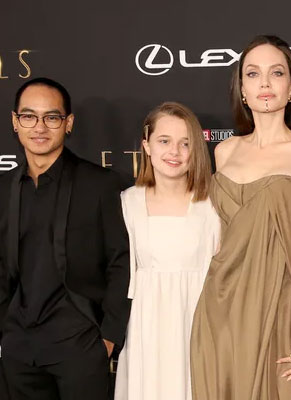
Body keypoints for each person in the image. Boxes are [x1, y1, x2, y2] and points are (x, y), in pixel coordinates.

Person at [190, 35, 291, 400]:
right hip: (221, 312)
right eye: (253, 74)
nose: (265, 83)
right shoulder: (225, 152)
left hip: (283, 309)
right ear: (242, 90)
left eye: (277, 73)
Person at [0, 77, 130, 399]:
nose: (39, 127)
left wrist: (109, 339)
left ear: (68, 123)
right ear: (15, 122)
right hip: (18, 348)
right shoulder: (4, 189)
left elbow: (121, 261)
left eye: (51, 117)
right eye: (29, 116)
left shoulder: (100, 184)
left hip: (80, 344)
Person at [114, 102, 220, 400]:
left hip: (200, 326)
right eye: (164, 141)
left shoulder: (214, 204)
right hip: (146, 329)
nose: (175, 152)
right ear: (146, 145)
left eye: (185, 143)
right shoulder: (128, 202)